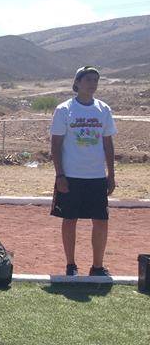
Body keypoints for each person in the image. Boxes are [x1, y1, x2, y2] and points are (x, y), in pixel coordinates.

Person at [50, 66, 117, 276]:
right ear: (77, 83)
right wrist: (60, 174)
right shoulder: (64, 109)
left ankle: (97, 266)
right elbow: (56, 144)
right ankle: (71, 265)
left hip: (96, 176)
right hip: (71, 175)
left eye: (96, 80)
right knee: (70, 219)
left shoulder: (103, 109)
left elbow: (108, 143)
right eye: (88, 80)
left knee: (101, 221)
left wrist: (111, 174)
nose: (92, 84)